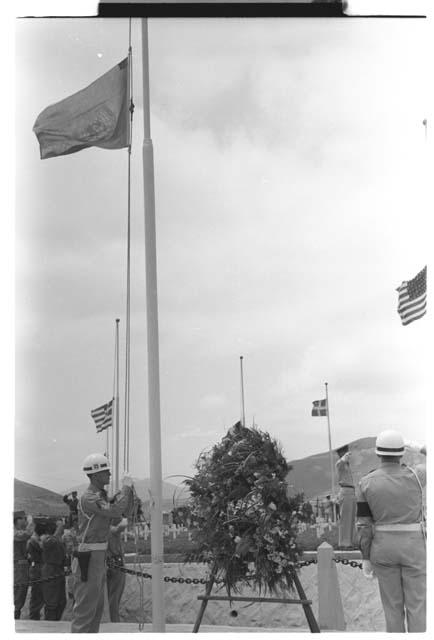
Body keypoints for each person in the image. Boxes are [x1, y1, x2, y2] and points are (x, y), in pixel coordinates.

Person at [356, 429, 426, 633]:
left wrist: (366, 557)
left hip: (383, 547)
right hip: (414, 547)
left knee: (392, 609)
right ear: (401, 453)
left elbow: (364, 524)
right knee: (418, 606)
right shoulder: (417, 475)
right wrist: (418, 447)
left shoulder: (365, 482)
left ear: (378, 454)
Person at [71, 453, 134, 633]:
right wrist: (126, 488)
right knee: (85, 611)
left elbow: (117, 513)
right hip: (89, 557)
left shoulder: (100, 497)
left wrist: (126, 495)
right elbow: (114, 510)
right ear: (96, 474)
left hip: (98, 557)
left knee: (96, 611)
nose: (109, 474)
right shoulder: (90, 498)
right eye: (106, 471)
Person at [41, 518, 67, 621]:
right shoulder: (47, 538)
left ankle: (55, 623)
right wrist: (59, 529)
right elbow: (50, 542)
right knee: (51, 603)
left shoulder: (58, 540)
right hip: (50, 570)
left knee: (61, 602)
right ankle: (50, 627)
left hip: (58, 570)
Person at [106, 517, 129, 622]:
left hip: (105, 564)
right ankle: (114, 623)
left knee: (108, 598)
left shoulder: (99, 530)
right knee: (114, 599)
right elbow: (123, 525)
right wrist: (124, 518)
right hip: (116, 565)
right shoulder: (110, 529)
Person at [335, 444, 356, 549]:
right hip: (346, 490)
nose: (348, 453)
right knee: (345, 518)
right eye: (345, 451)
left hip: (351, 491)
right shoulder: (340, 464)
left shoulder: (347, 465)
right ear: (341, 453)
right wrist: (344, 456)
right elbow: (340, 463)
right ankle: (344, 543)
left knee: (351, 518)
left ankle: (349, 542)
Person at [13, 510, 33, 620]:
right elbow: (25, 535)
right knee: (17, 593)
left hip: (22, 567)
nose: (25, 520)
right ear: (17, 520)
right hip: (17, 567)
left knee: (21, 593)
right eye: (23, 518)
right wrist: (31, 523)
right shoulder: (12, 531)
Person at [26, 519, 46, 620]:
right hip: (37, 569)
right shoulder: (33, 541)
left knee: (39, 595)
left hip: (38, 568)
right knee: (36, 595)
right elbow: (41, 549)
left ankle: (35, 614)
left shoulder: (35, 539)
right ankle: (34, 615)